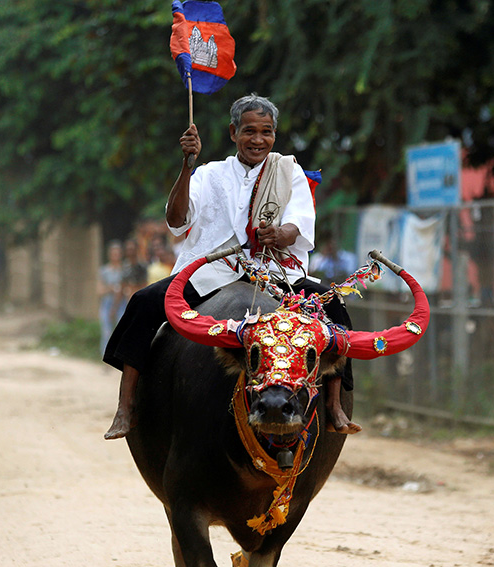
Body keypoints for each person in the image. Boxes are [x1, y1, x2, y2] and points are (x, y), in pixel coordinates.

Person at [103, 93, 359, 439]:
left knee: (334, 309)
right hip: (212, 269)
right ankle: (126, 405)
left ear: (274, 135)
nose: (258, 140)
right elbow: (176, 220)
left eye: (266, 132)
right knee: (145, 303)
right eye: (249, 131)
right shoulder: (209, 174)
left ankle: (334, 404)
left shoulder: (289, 173)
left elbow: (297, 225)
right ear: (233, 132)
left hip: (273, 271)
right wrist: (186, 165)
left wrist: (278, 234)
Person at [97, 240, 125, 356]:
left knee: (121, 330)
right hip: (107, 302)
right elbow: (99, 291)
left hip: (122, 303)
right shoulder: (104, 271)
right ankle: (106, 357)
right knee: (106, 331)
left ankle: (120, 357)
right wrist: (112, 288)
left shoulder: (125, 270)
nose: (116, 256)